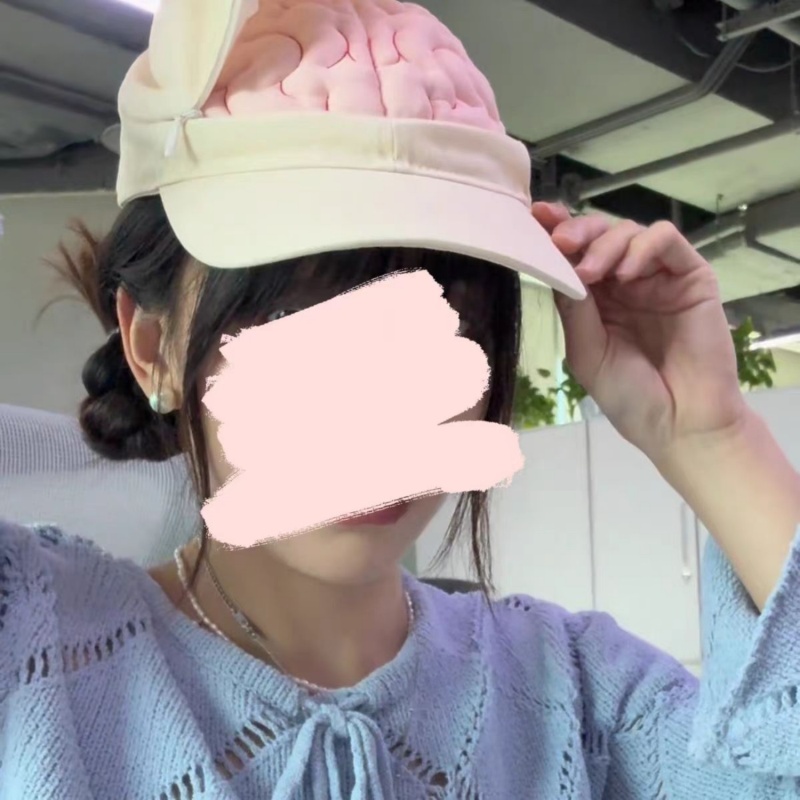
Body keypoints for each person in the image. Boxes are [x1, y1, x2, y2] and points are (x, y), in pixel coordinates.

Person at [1, 1, 799, 798]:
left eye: (450, 326)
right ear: (154, 347)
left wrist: (711, 439)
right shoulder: (31, 648)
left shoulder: (584, 701)